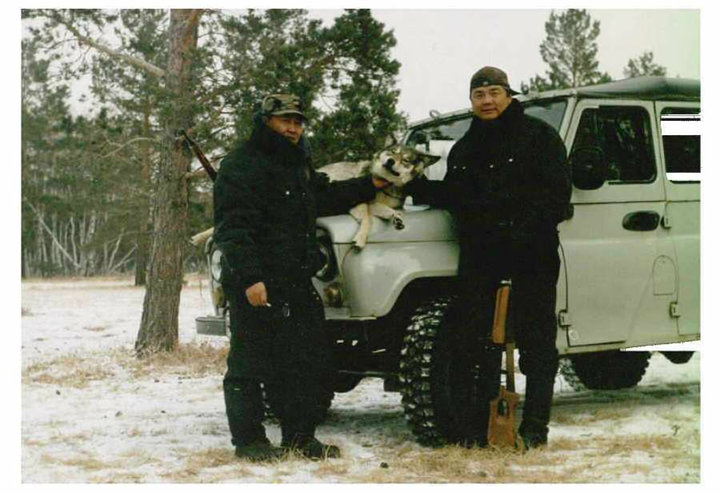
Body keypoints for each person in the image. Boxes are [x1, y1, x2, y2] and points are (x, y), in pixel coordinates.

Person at [213, 93, 388, 461]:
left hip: (295, 278)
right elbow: (233, 228)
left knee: (304, 361)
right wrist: (250, 279)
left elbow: (324, 197)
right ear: (266, 122)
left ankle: (300, 437)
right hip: (257, 281)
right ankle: (249, 442)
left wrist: (371, 185)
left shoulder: (297, 165)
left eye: (297, 122)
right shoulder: (241, 164)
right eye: (285, 121)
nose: (292, 128)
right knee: (250, 364)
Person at [407, 66, 572, 448]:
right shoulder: (465, 148)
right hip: (482, 256)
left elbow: (557, 196)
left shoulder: (540, 137)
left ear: (508, 95)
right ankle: (478, 428)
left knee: (536, 340)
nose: (487, 101)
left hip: (531, 254)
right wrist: (414, 187)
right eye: (479, 95)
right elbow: (455, 195)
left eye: (494, 93)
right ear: (471, 101)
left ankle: (535, 428)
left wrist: (519, 228)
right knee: (476, 340)